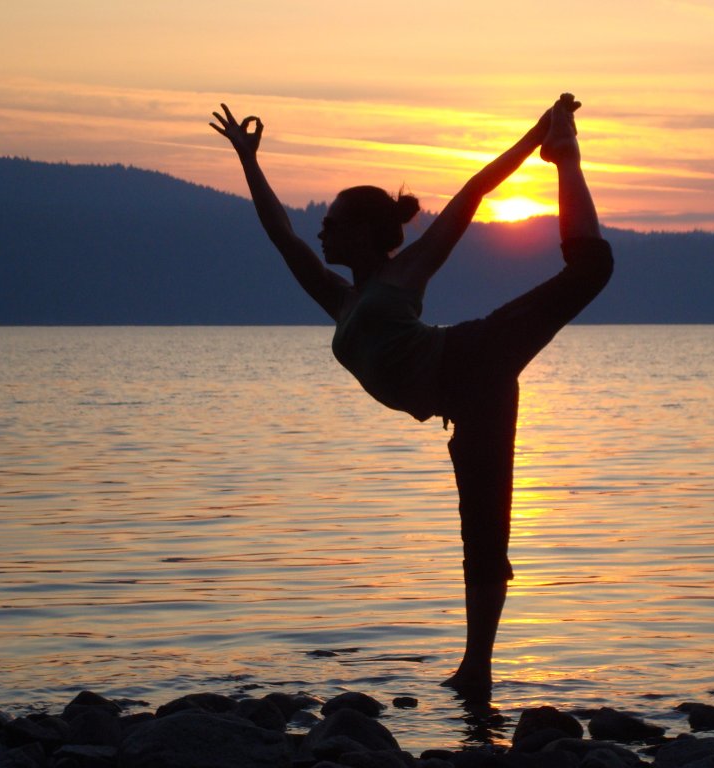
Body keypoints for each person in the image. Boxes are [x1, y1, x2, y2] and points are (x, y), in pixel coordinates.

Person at [210, 94, 612, 697]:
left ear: (370, 234)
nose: (322, 226)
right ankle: (477, 669)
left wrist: (537, 136)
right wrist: (248, 160)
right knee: (482, 538)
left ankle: (566, 156)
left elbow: (473, 193)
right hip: (468, 402)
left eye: (336, 221)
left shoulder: (407, 272)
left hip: (474, 356)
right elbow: (280, 232)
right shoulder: (338, 300)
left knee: (589, 271)